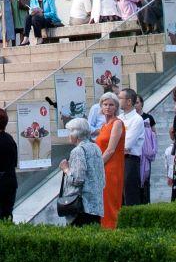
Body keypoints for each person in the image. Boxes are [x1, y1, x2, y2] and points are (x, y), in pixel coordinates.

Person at [57, 119, 103, 227]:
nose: (68, 135)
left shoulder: (78, 151)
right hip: (96, 205)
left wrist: (66, 169)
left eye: (70, 132)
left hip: (80, 206)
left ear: (75, 134)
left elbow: (77, 180)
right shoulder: (95, 147)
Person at [93, 92, 126, 228]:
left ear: (116, 107)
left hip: (111, 168)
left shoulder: (117, 123)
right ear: (101, 106)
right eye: (105, 104)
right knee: (103, 202)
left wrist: (97, 165)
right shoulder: (103, 126)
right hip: (103, 167)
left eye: (111, 105)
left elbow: (111, 149)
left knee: (110, 201)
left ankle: (111, 230)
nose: (108, 107)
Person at [118, 88, 149, 207]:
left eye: (120, 98)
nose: (118, 100)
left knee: (130, 194)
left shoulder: (137, 120)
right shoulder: (119, 118)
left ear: (129, 101)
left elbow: (127, 145)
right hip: (119, 158)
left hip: (130, 160)